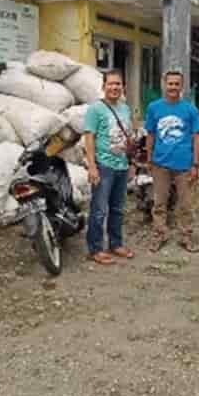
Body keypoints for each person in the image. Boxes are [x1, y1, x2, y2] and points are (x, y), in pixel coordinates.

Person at [144, 70, 199, 253]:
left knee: (186, 205)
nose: (173, 87)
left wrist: (196, 164)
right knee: (159, 203)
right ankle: (159, 235)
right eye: (170, 84)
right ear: (164, 85)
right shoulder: (154, 108)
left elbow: (196, 137)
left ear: (181, 87)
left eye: (177, 84)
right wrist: (149, 158)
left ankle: (186, 237)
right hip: (160, 163)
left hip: (184, 165)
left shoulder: (190, 109)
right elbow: (151, 134)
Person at [82, 69, 135, 265]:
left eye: (118, 84)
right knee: (99, 209)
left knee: (118, 208)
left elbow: (128, 137)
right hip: (104, 165)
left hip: (121, 164)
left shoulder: (125, 108)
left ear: (123, 87)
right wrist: (92, 166)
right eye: (111, 84)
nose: (114, 87)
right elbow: (89, 138)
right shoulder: (95, 109)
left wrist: (130, 164)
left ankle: (116, 243)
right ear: (103, 86)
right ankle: (95, 248)